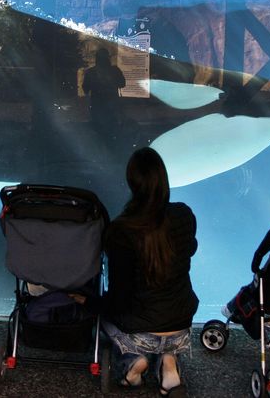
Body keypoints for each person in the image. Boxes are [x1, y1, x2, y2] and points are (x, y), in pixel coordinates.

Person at [101, 146, 198, 395]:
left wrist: (91, 303)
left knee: (104, 317)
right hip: (181, 325)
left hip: (139, 331)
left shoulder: (121, 230)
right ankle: (168, 365)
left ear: (131, 183)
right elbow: (190, 249)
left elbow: (118, 296)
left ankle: (133, 362)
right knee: (166, 331)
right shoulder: (184, 215)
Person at [83, 47, 126, 138]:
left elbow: (85, 89)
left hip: (98, 106)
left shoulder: (91, 72)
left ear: (97, 58)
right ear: (107, 58)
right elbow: (122, 84)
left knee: (99, 131)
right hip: (111, 106)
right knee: (112, 131)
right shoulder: (115, 70)